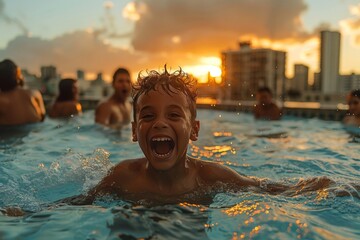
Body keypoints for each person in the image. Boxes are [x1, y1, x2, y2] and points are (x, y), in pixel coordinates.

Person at [62, 66, 335, 206]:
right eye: (147, 116)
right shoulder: (122, 176)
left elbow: (273, 189)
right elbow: (76, 204)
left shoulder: (211, 178)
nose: (159, 123)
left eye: (173, 115)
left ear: (194, 130)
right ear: (134, 132)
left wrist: (329, 185)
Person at [0, 59, 45, 125]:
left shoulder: (1, 100)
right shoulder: (35, 94)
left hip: (10, 132)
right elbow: (42, 118)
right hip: (37, 129)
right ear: (18, 76)